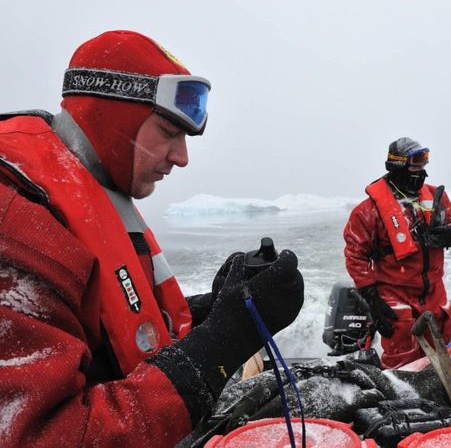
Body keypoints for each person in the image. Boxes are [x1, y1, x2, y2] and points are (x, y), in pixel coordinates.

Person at [0, 30, 304, 447]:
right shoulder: (16, 223)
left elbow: (106, 339)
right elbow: (49, 436)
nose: (182, 157)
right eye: (167, 132)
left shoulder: (95, 196)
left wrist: (214, 310)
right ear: (111, 121)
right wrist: (223, 341)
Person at [344, 137, 451, 369]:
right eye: (415, 165)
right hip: (395, 296)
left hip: (434, 293)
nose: (422, 172)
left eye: (424, 165)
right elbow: (355, 255)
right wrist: (372, 300)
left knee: (441, 362)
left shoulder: (435, 197)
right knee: (402, 367)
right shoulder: (368, 211)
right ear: (398, 165)